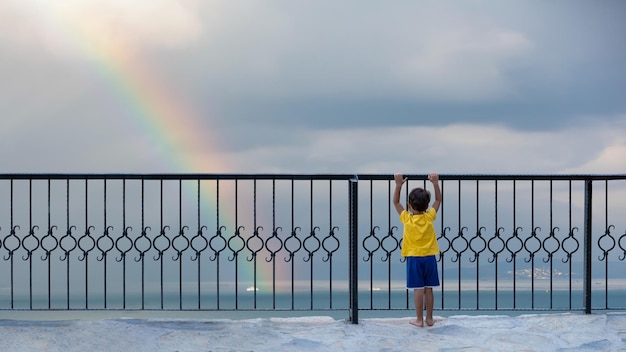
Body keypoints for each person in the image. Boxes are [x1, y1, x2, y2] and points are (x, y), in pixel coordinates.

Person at [393, 173, 442, 327]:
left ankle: (419, 319)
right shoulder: (429, 217)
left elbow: (395, 202)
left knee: (417, 289)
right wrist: (435, 183)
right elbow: (438, 200)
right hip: (429, 258)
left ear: (409, 205)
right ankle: (429, 318)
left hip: (414, 258)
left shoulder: (407, 219)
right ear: (426, 206)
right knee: (429, 289)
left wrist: (398, 184)